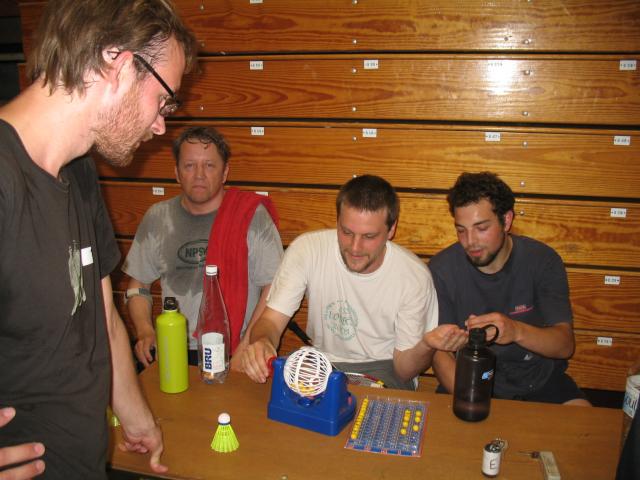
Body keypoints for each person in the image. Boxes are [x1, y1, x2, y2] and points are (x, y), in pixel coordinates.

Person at [0, 0, 196, 477]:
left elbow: (103, 319)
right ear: (119, 65)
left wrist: (138, 417)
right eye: (163, 100)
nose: (160, 124)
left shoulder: (80, 173)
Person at [241, 174, 467, 390]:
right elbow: (270, 321)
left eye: (369, 236)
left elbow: (404, 370)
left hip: (384, 368)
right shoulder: (307, 249)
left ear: (391, 230)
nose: (355, 247)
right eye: (346, 232)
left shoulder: (413, 277)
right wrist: (263, 341)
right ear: (337, 221)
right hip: (321, 362)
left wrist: (426, 345)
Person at [123, 126, 283, 370]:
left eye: (209, 165)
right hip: (172, 347)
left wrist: (247, 344)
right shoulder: (157, 217)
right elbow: (138, 285)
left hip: (232, 348)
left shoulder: (251, 216)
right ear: (177, 173)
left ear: (224, 172)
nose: (199, 174)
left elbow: (274, 287)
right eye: (189, 165)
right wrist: (145, 331)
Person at [430, 172, 590, 405]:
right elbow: (439, 353)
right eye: (461, 230)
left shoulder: (542, 260)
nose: (470, 241)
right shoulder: (441, 269)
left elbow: (565, 345)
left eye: (481, 228)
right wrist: (475, 400)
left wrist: (514, 330)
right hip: (470, 382)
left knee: (586, 421)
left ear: (506, 220)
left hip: (540, 382)